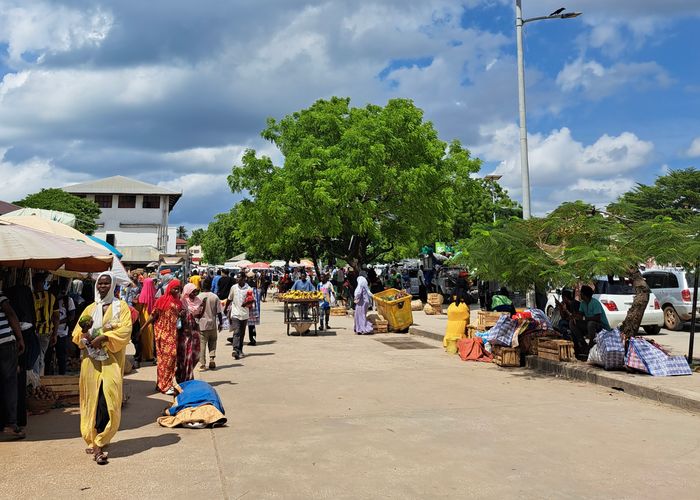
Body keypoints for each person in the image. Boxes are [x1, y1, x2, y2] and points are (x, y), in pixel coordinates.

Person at [72, 272, 132, 465]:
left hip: (112, 361)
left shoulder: (120, 307)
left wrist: (105, 338)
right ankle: (96, 440)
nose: (103, 287)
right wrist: (84, 336)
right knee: (93, 399)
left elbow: (125, 331)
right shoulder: (90, 309)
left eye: (106, 283)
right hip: (91, 362)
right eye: (100, 283)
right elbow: (76, 334)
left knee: (110, 398)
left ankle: (102, 437)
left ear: (113, 285)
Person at [141, 279, 183, 395]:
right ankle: (164, 385)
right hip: (162, 333)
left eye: (178, 289)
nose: (176, 291)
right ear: (169, 288)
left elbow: (177, 316)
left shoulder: (178, 302)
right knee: (166, 359)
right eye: (174, 288)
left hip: (173, 333)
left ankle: (163, 383)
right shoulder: (161, 301)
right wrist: (143, 328)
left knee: (170, 360)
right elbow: (153, 315)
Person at [0, 292, 25, 439]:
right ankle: (11, 425)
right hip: (5, 344)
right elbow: (10, 314)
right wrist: (20, 338)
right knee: (9, 383)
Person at [32, 273, 59, 376]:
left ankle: (36, 379)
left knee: (34, 356)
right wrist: (55, 334)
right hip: (46, 331)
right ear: (43, 283)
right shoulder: (51, 297)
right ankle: (38, 378)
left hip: (33, 332)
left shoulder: (31, 297)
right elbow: (56, 317)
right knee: (40, 356)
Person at [573, 285, 610, 356]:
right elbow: (580, 314)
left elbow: (597, 318)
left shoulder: (595, 303)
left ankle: (591, 344)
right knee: (572, 323)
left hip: (601, 326)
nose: (580, 295)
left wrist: (584, 318)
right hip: (589, 324)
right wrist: (575, 317)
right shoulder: (582, 303)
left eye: (581, 293)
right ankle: (583, 344)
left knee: (591, 323)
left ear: (584, 294)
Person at [178, 284, 202, 382]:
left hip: (195, 330)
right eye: (193, 292)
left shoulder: (198, 301)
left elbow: (199, 316)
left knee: (195, 355)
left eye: (196, 292)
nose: (195, 294)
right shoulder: (182, 301)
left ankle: (188, 374)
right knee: (185, 356)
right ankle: (186, 377)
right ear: (188, 292)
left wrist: (203, 308)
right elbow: (178, 316)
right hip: (184, 333)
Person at [197, 279, 221, 370]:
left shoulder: (198, 297)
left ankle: (202, 364)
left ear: (202, 287)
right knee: (213, 342)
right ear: (210, 286)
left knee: (202, 344)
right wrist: (221, 324)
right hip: (213, 324)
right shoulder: (215, 297)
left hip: (202, 325)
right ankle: (212, 359)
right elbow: (219, 312)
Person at [228, 273, 252, 360]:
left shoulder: (248, 288)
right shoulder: (233, 287)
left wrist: (246, 303)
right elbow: (229, 299)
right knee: (237, 331)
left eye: (239, 277)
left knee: (242, 333)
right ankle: (235, 350)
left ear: (244, 278)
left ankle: (240, 350)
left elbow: (252, 301)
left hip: (244, 314)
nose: (237, 279)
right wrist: (225, 308)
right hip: (235, 313)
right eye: (236, 277)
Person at [443, 279, 471, 353]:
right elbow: (469, 300)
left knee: (451, 327)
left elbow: (450, 299)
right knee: (460, 328)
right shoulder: (463, 291)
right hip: (461, 309)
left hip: (452, 309)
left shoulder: (454, 290)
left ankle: (449, 343)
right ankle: (460, 344)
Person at [55, 282, 76, 375]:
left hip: (62, 332)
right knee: (47, 357)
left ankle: (61, 375)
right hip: (49, 332)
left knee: (61, 356)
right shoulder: (51, 299)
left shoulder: (68, 300)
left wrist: (58, 323)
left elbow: (72, 316)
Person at [134, 278, 156, 362]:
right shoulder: (155, 292)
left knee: (145, 336)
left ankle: (146, 355)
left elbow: (138, 308)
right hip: (153, 316)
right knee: (152, 336)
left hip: (145, 317)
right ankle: (151, 354)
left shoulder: (142, 294)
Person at [246, 273, 261, 346]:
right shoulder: (255, 286)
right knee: (252, 325)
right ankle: (253, 339)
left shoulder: (247, 286)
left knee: (242, 324)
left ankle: (237, 339)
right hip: (254, 308)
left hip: (248, 307)